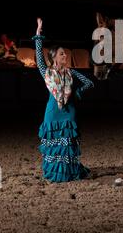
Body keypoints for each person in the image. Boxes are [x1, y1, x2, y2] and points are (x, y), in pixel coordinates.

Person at [32, 18, 94, 182]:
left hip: (68, 112)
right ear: (54, 58)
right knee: (54, 145)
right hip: (53, 112)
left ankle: (67, 172)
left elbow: (89, 83)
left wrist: (76, 93)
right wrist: (38, 34)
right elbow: (39, 60)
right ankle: (55, 172)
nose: (65, 55)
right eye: (61, 53)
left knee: (68, 145)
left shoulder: (71, 72)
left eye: (64, 53)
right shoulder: (47, 72)